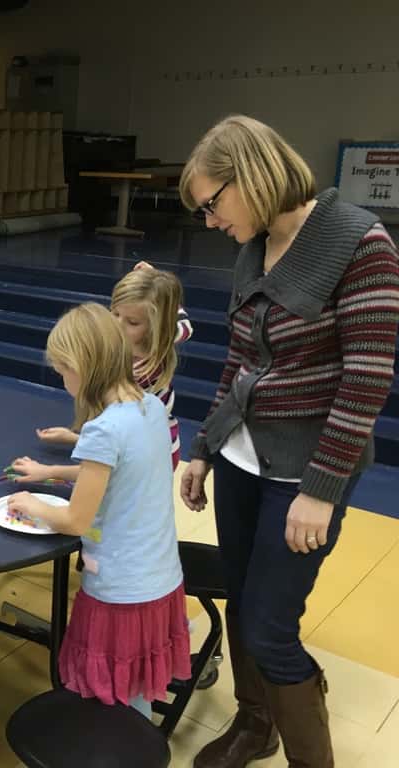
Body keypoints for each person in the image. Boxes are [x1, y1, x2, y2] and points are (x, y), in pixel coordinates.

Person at [178, 115, 399, 768]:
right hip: (244, 458)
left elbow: (366, 379)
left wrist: (320, 490)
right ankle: (255, 725)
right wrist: (203, 447)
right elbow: (240, 364)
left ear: (252, 175)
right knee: (244, 604)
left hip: (305, 473)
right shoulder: (256, 245)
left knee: (274, 628)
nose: (211, 223)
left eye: (212, 204)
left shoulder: (359, 242)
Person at [7, 303, 190, 719]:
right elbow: (117, 469)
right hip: (160, 578)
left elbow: (75, 520)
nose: (62, 380)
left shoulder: (102, 428)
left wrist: (32, 503)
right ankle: (134, 738)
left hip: (120, 588)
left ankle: (118, 747)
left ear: (80, 367)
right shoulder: (151, 407)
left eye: (62, 371)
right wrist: (50, 471)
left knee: (112, 692)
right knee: (135, 685)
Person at [20, 263, 193, 485]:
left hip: (153, 455)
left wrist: (49, 471)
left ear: (155, 327)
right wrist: (158, 286)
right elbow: (182, 321)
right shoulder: (171, 334)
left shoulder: (130, 375)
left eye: (132, 322)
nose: (117, 325)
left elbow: (106, 468)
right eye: (115, 313)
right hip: (155, 441)